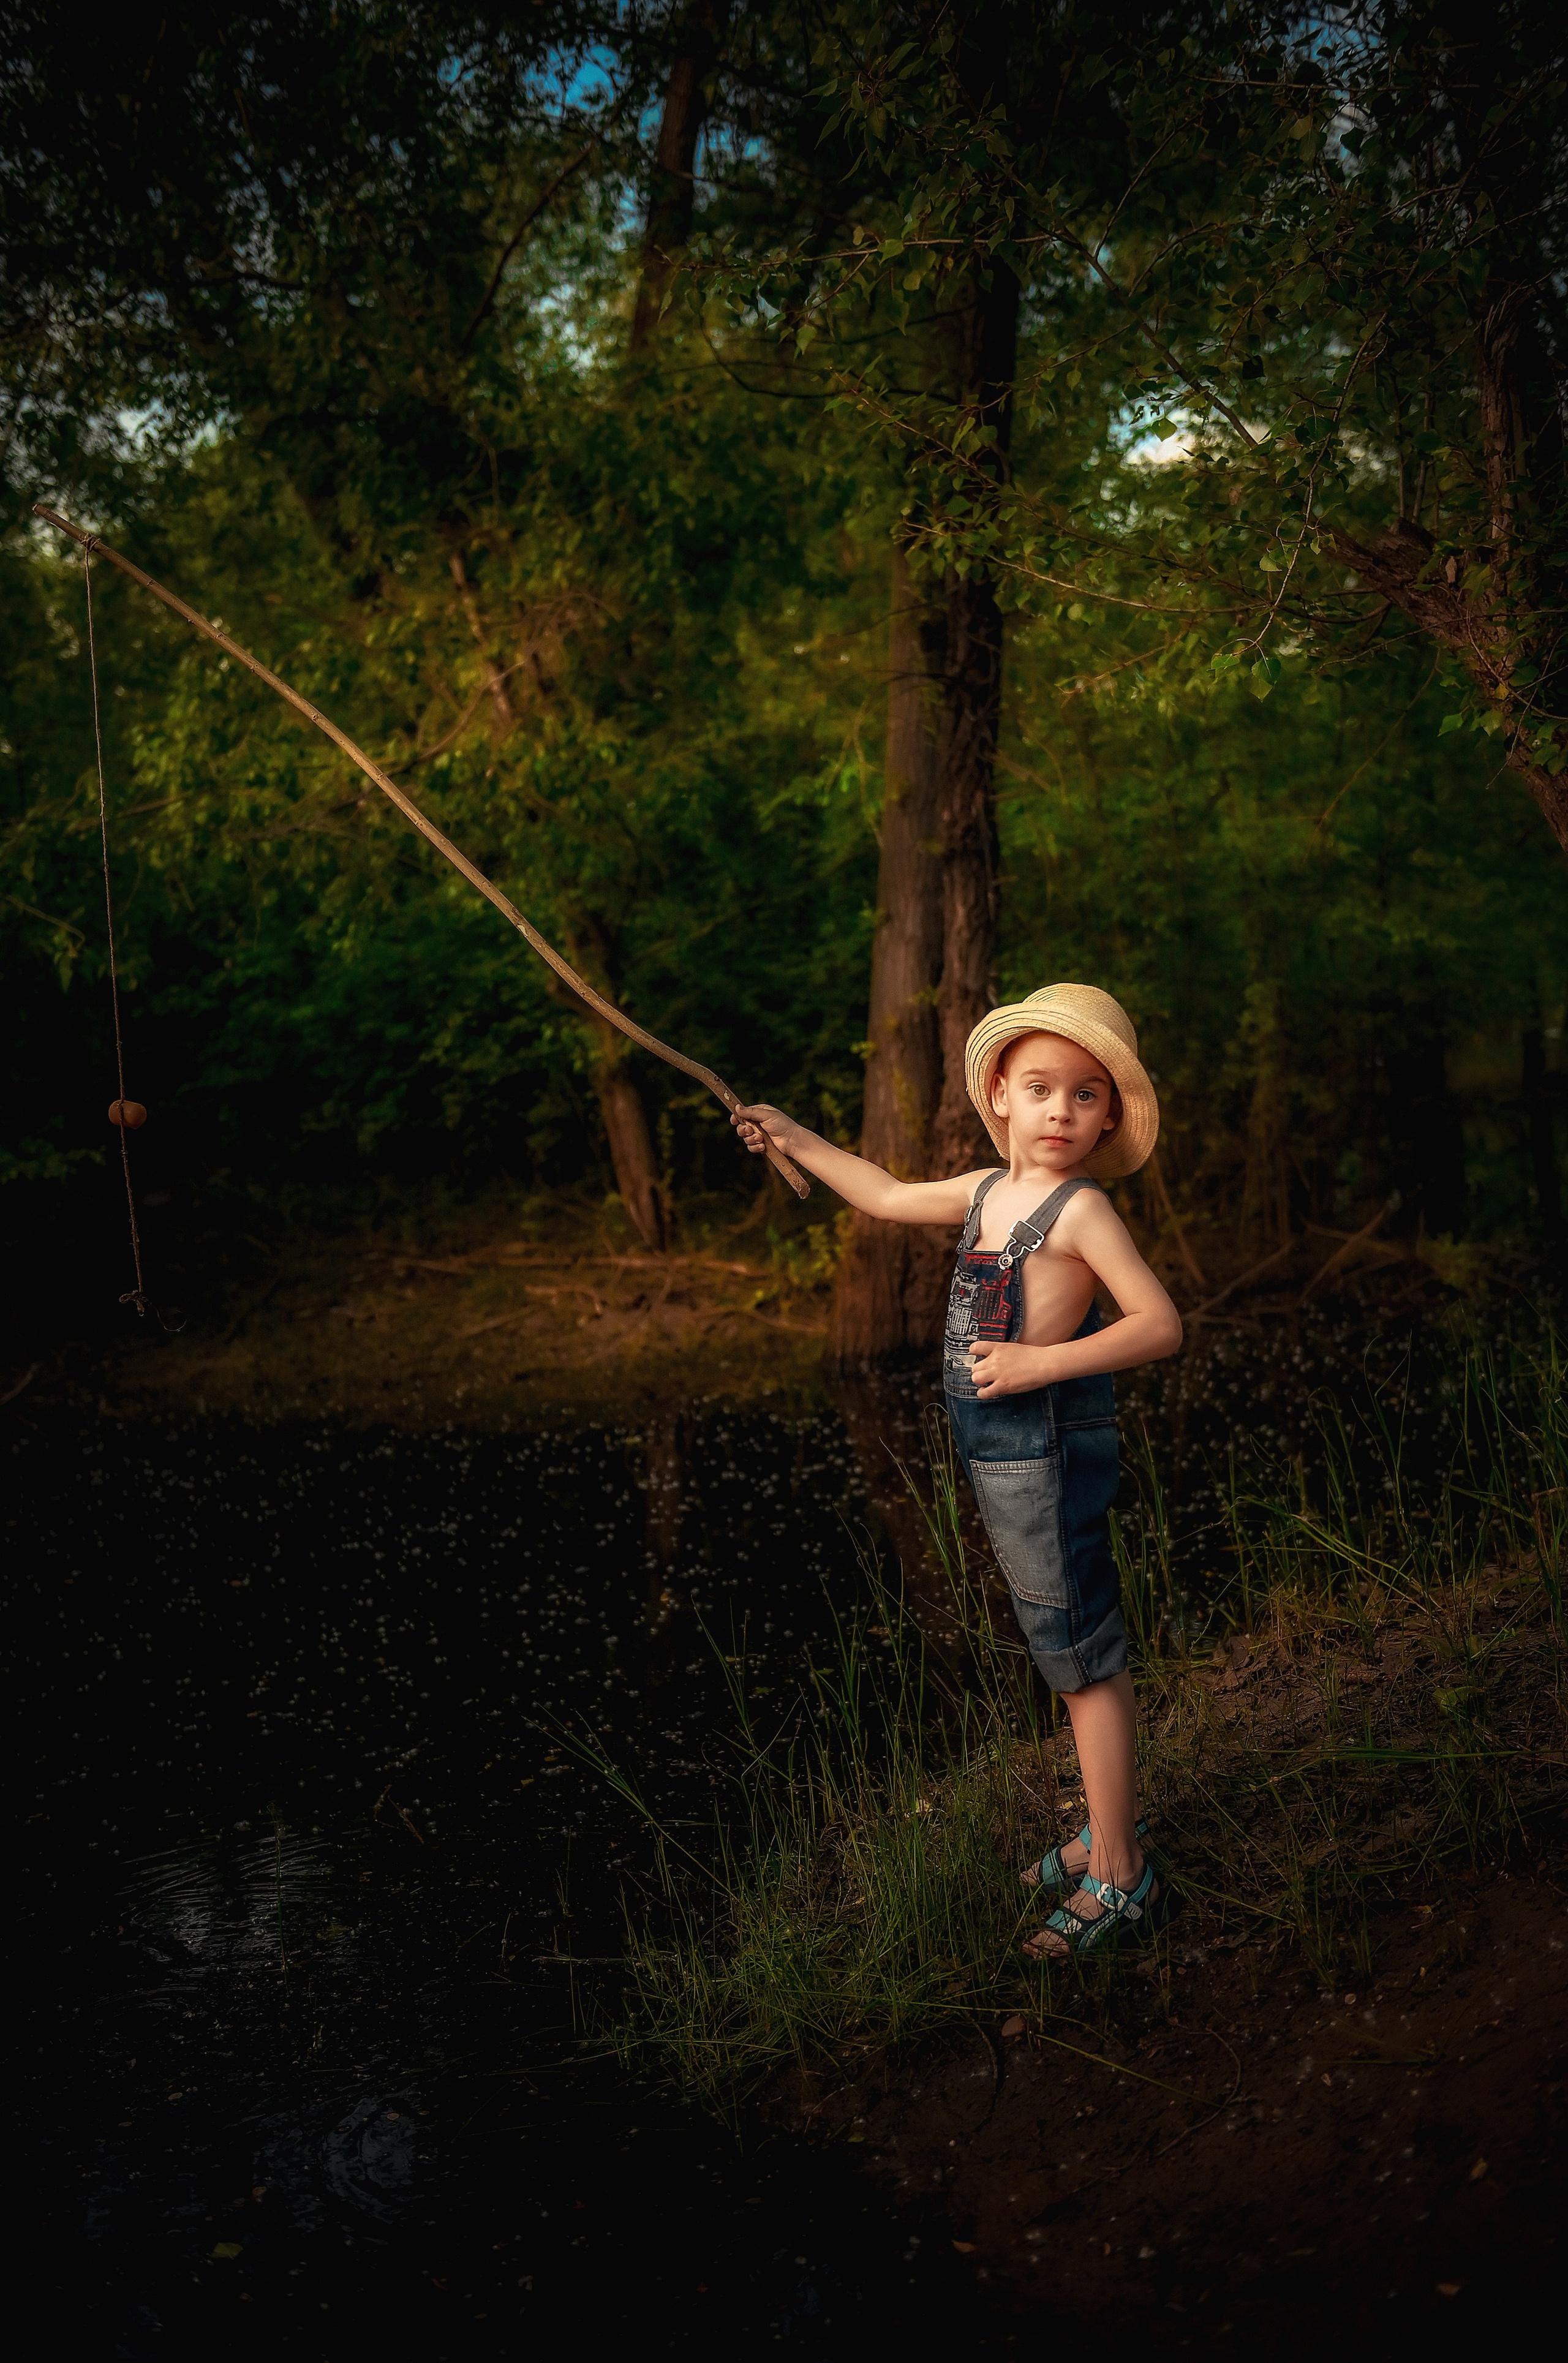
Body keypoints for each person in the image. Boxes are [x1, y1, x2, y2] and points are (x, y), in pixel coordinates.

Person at [733, 982, 1183, 1955]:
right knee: (1056, 1644)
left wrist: (1040, 1360)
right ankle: (1111, 1824)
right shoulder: (985, 1191)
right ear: (1001, 1093)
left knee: (1080, 1659)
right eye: (1042, 1088)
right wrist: (794, 1135)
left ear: (1108, 1116)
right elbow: (888, 1193)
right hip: (1002, 1457)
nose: (1061, 1110)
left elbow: (1160, 1324)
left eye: (1087, 1094)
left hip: (1045, 1451)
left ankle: (1122, 1873)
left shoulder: (1082, 1211)